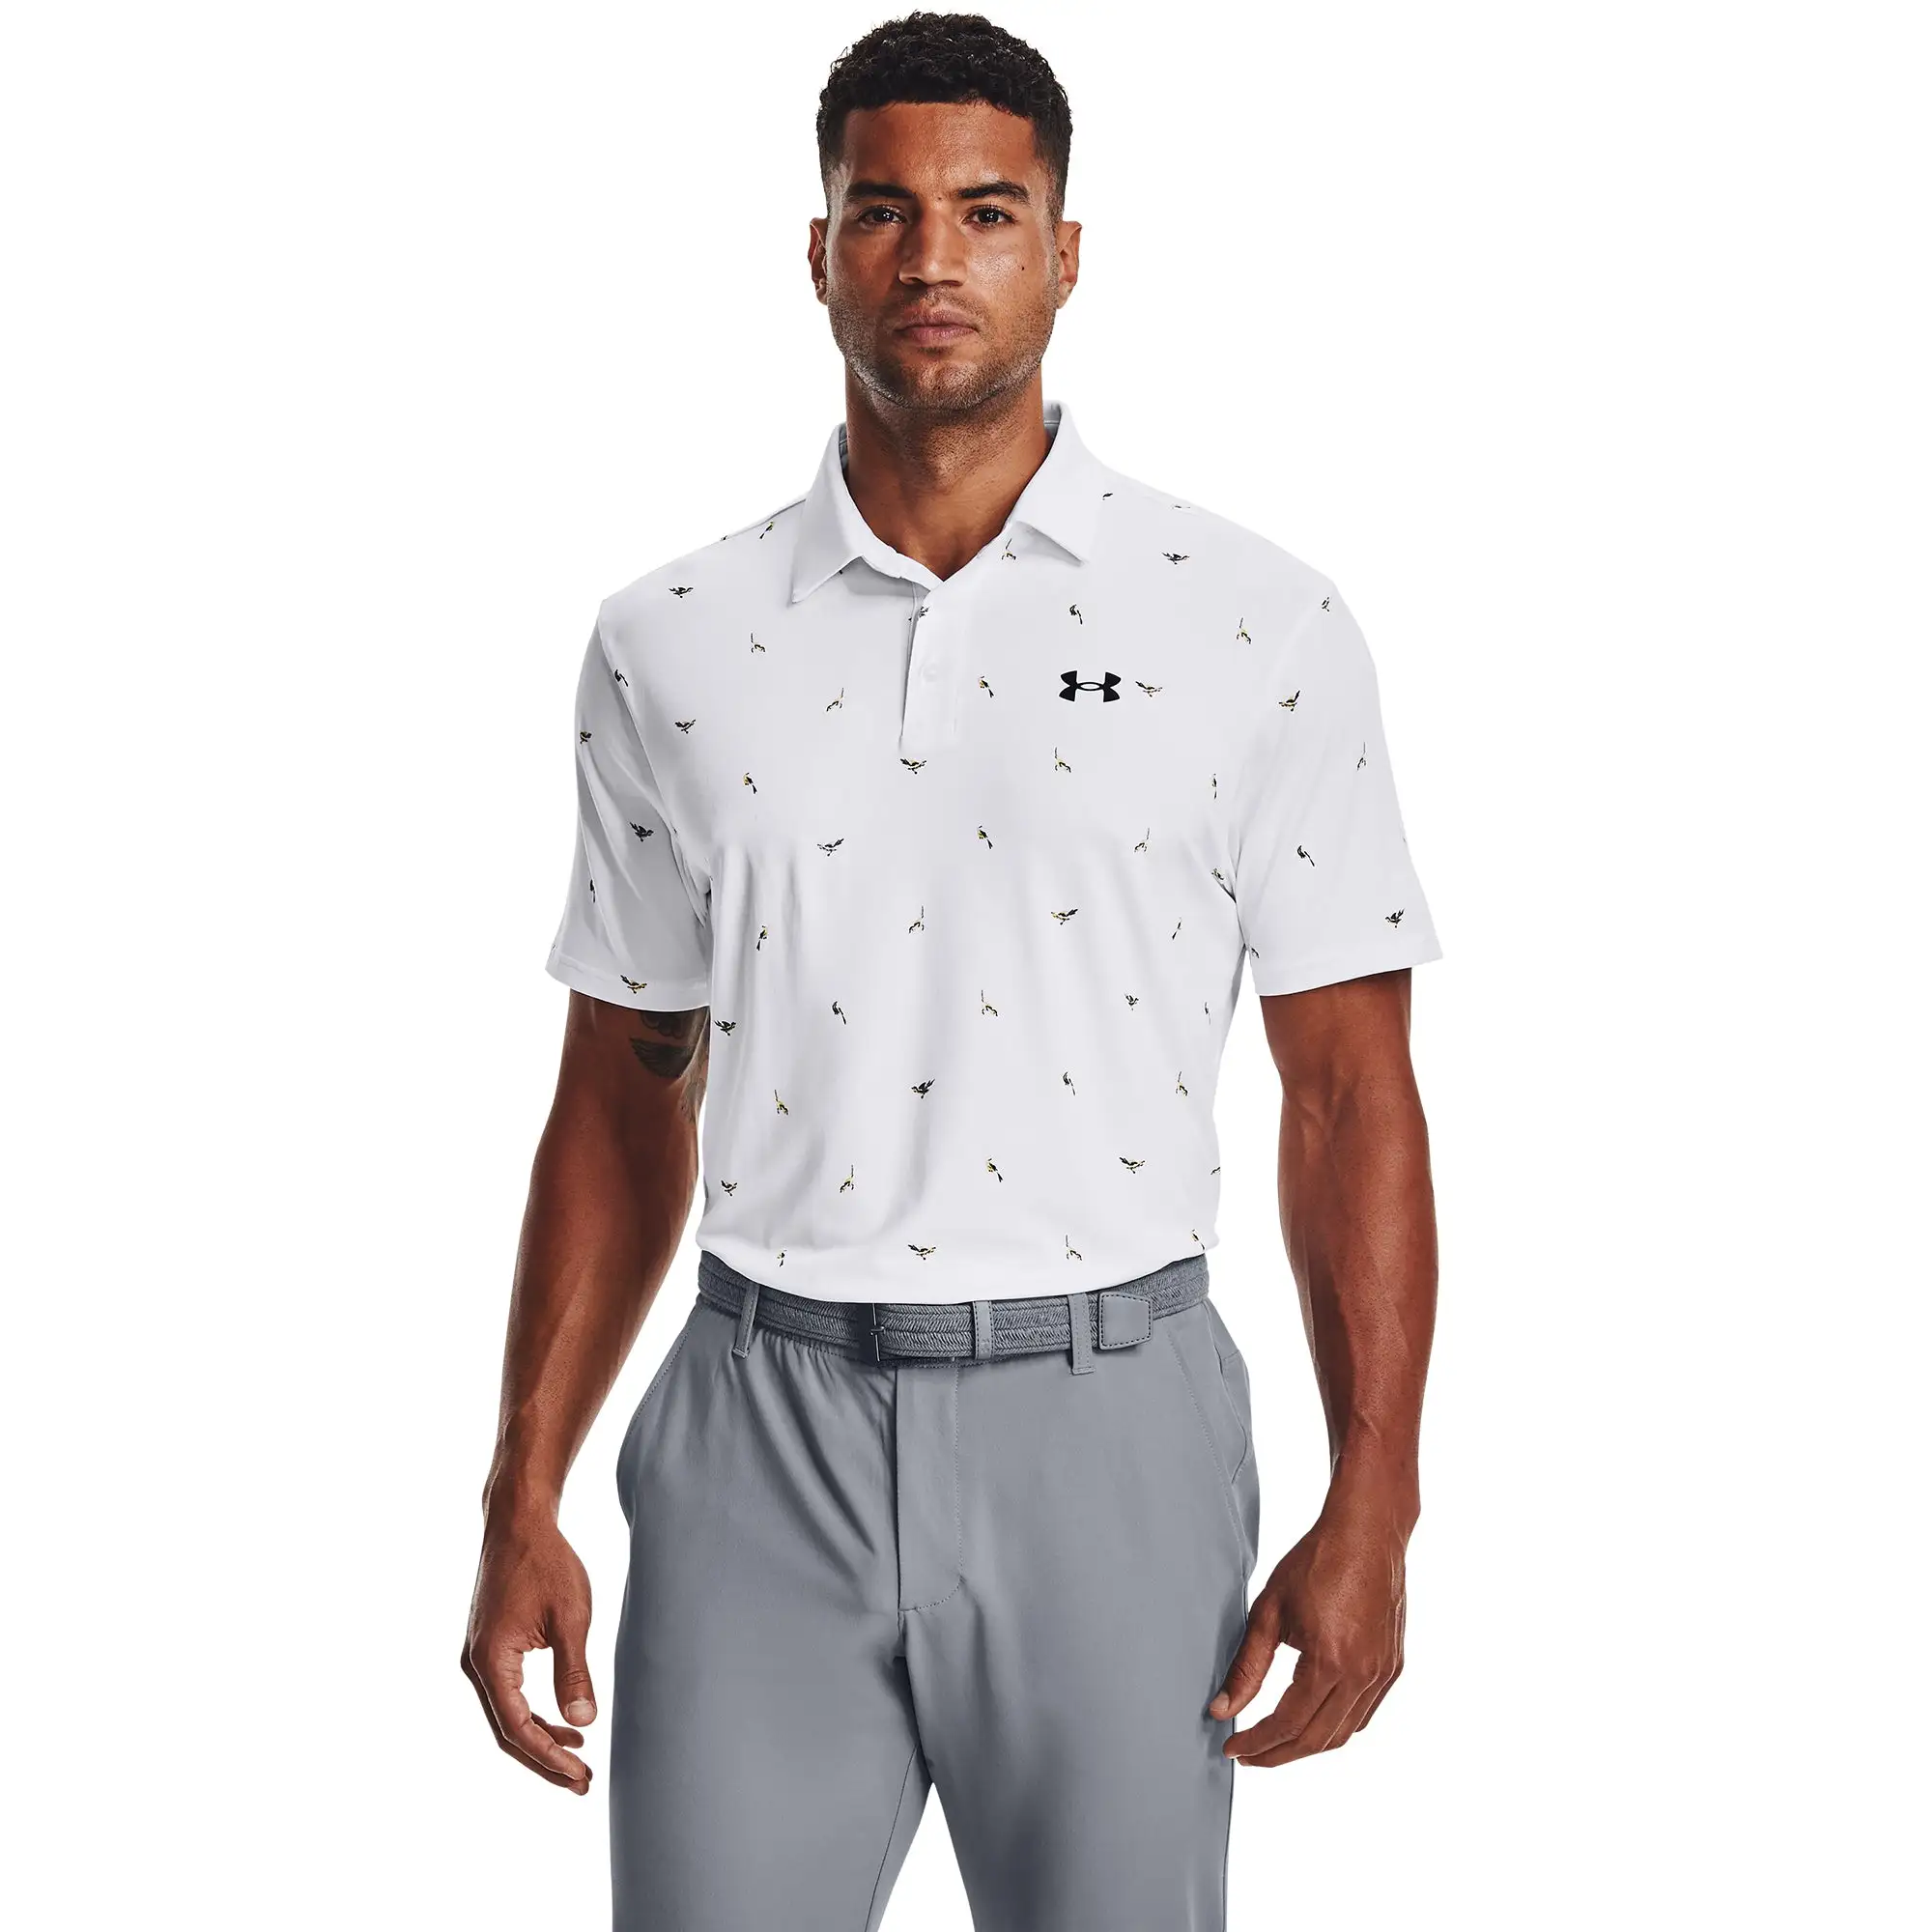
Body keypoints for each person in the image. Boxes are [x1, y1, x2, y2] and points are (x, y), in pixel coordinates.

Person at [463, 13, 1441, 1928]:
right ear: (817, 249)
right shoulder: (668, 638)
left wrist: (1378, 1499)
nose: (933, 259)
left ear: (1065, 253)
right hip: (757, 1428)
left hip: (1113, 1418)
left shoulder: (1257, 622)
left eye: (987, 213)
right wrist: (522, 1493)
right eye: (882, 211)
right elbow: (619, 1086)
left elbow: (1349, 1094)